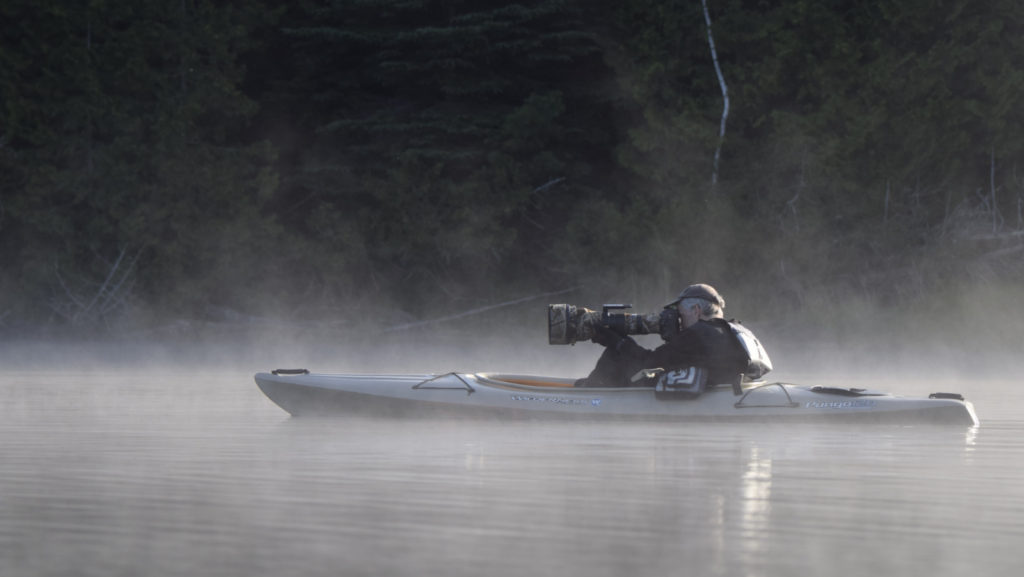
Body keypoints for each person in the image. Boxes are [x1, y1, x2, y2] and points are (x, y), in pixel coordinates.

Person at [574, 284, 752, 390]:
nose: (679, 322)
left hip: (720, 396)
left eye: (681, 315)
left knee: (615, 355)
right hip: (732, 391)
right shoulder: (732, 329)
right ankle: (594, 388)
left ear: (696, 310)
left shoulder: (698, 334)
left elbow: (650, 363)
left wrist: (617, 342)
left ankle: (590, 395)